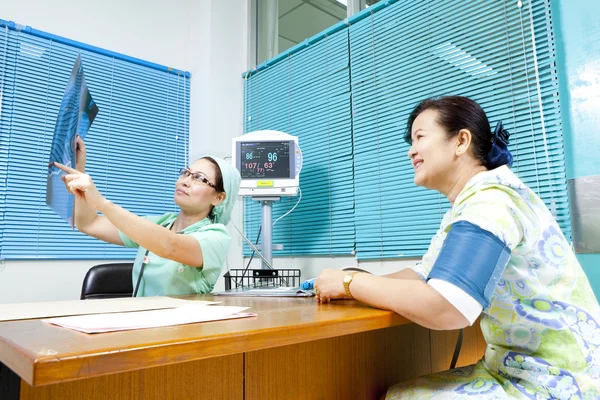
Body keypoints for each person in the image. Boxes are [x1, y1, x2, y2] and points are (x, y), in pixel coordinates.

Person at [314, 96, 600, 398]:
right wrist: (347, 287)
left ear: (461, 141)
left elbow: (448, 306)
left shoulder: (491, 200)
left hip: (558, 380)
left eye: (420, 137)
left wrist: (351, 282)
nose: (411, 150)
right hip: (517, 367)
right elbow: (424, 274)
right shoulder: (467, 205)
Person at [55, 136, 241, 296]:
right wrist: (79, 170)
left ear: (218, 197)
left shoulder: (216, 235)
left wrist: (102, 203)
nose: (185, 181)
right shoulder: (160, 224)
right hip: (141, 327)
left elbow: (170, 246)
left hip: (184, 331)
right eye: (186, 172)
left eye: (199, 178)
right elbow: (89, 223)